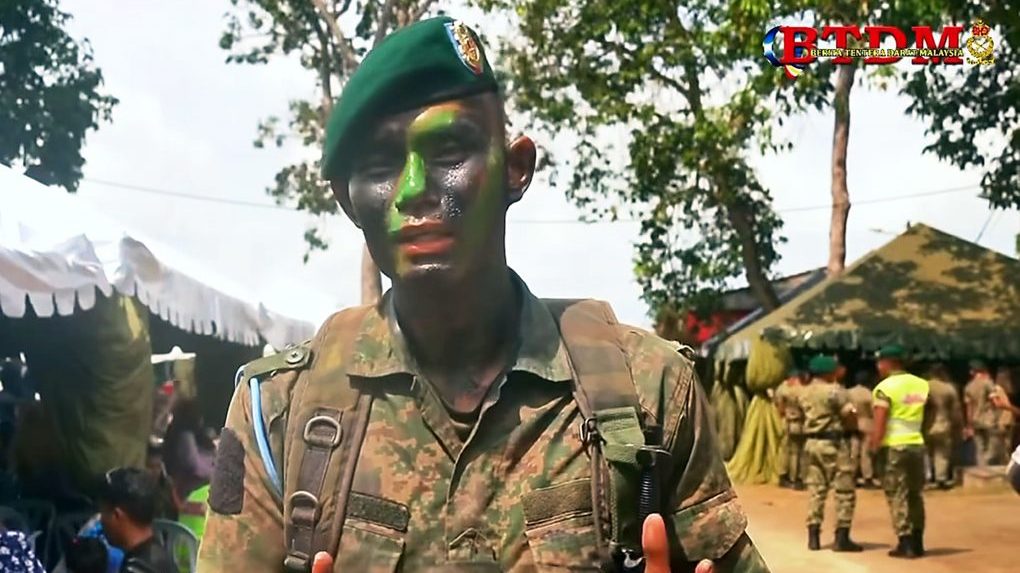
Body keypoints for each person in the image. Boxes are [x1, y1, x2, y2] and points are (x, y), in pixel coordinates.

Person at [199, 16, 768, 573]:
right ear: (349, 201)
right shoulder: (276, 412)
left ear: (515, 169)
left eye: (449, 152)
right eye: (380, 164)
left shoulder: (647, 391)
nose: (415, 191)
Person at [870, 345, 930, 559]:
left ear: (888, 363)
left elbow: (880, 421)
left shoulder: (884, 388)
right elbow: (929, 414)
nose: (878, 366)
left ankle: (905, 542)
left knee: (897, 494)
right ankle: (918, 540)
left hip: (893, 446)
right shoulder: (922, 385)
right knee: (915, 494)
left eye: (880, 362)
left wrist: (874, 447)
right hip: (916, 444)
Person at [798, 354, 862, 553]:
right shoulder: (835, 391)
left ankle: (813, 535)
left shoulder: (804, 392)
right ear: (829, 372)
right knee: (844, 489)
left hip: (812, 443)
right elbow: (849, 415)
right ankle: (842, 537)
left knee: (816, 489)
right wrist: (854, 428)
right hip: (834, 443)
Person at [98, 467, 176, 573]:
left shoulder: (136, 569)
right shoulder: (161, 556)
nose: (100, 520)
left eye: (103, 512)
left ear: (116, 515)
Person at [162, 397, 215, 502]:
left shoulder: (189, 434)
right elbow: (193, 465)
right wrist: (214, 473)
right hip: (189, 486)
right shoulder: (184, 436)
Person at [924, 364, 963, 489]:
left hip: (926, 424)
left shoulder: (924, 386)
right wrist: (958, 425)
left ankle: (928, 476)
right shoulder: (949, 388)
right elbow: (955, 410)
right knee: (942, 453)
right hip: (943, 424)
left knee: (927, 452)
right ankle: (940, 478)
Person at [774, 368, 806, 489]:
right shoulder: (801, 390)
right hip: (800, 423)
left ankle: (786, 475)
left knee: (787, 451)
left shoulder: (782, 389)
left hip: (787, 422)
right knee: (797, 452)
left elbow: (779, 407)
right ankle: (796, 477)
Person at [963, 359, 999, 465]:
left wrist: (969, 425)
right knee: (993, 446)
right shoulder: (988, 383)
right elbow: (995, 401)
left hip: (975, 420)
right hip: (989, 419)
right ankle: (988, 463)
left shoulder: (968, 387)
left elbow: (968, 408)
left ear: (972, 372)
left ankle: (982, 468)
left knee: (979, 448)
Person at [846, 369, 877, 489]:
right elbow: (873, 411)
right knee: (866, 452)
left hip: (853, 423)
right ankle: (867, 476)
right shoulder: (869, 393)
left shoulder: (849, 393)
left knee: (853, 451)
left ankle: (851, 475)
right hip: (867, 423)